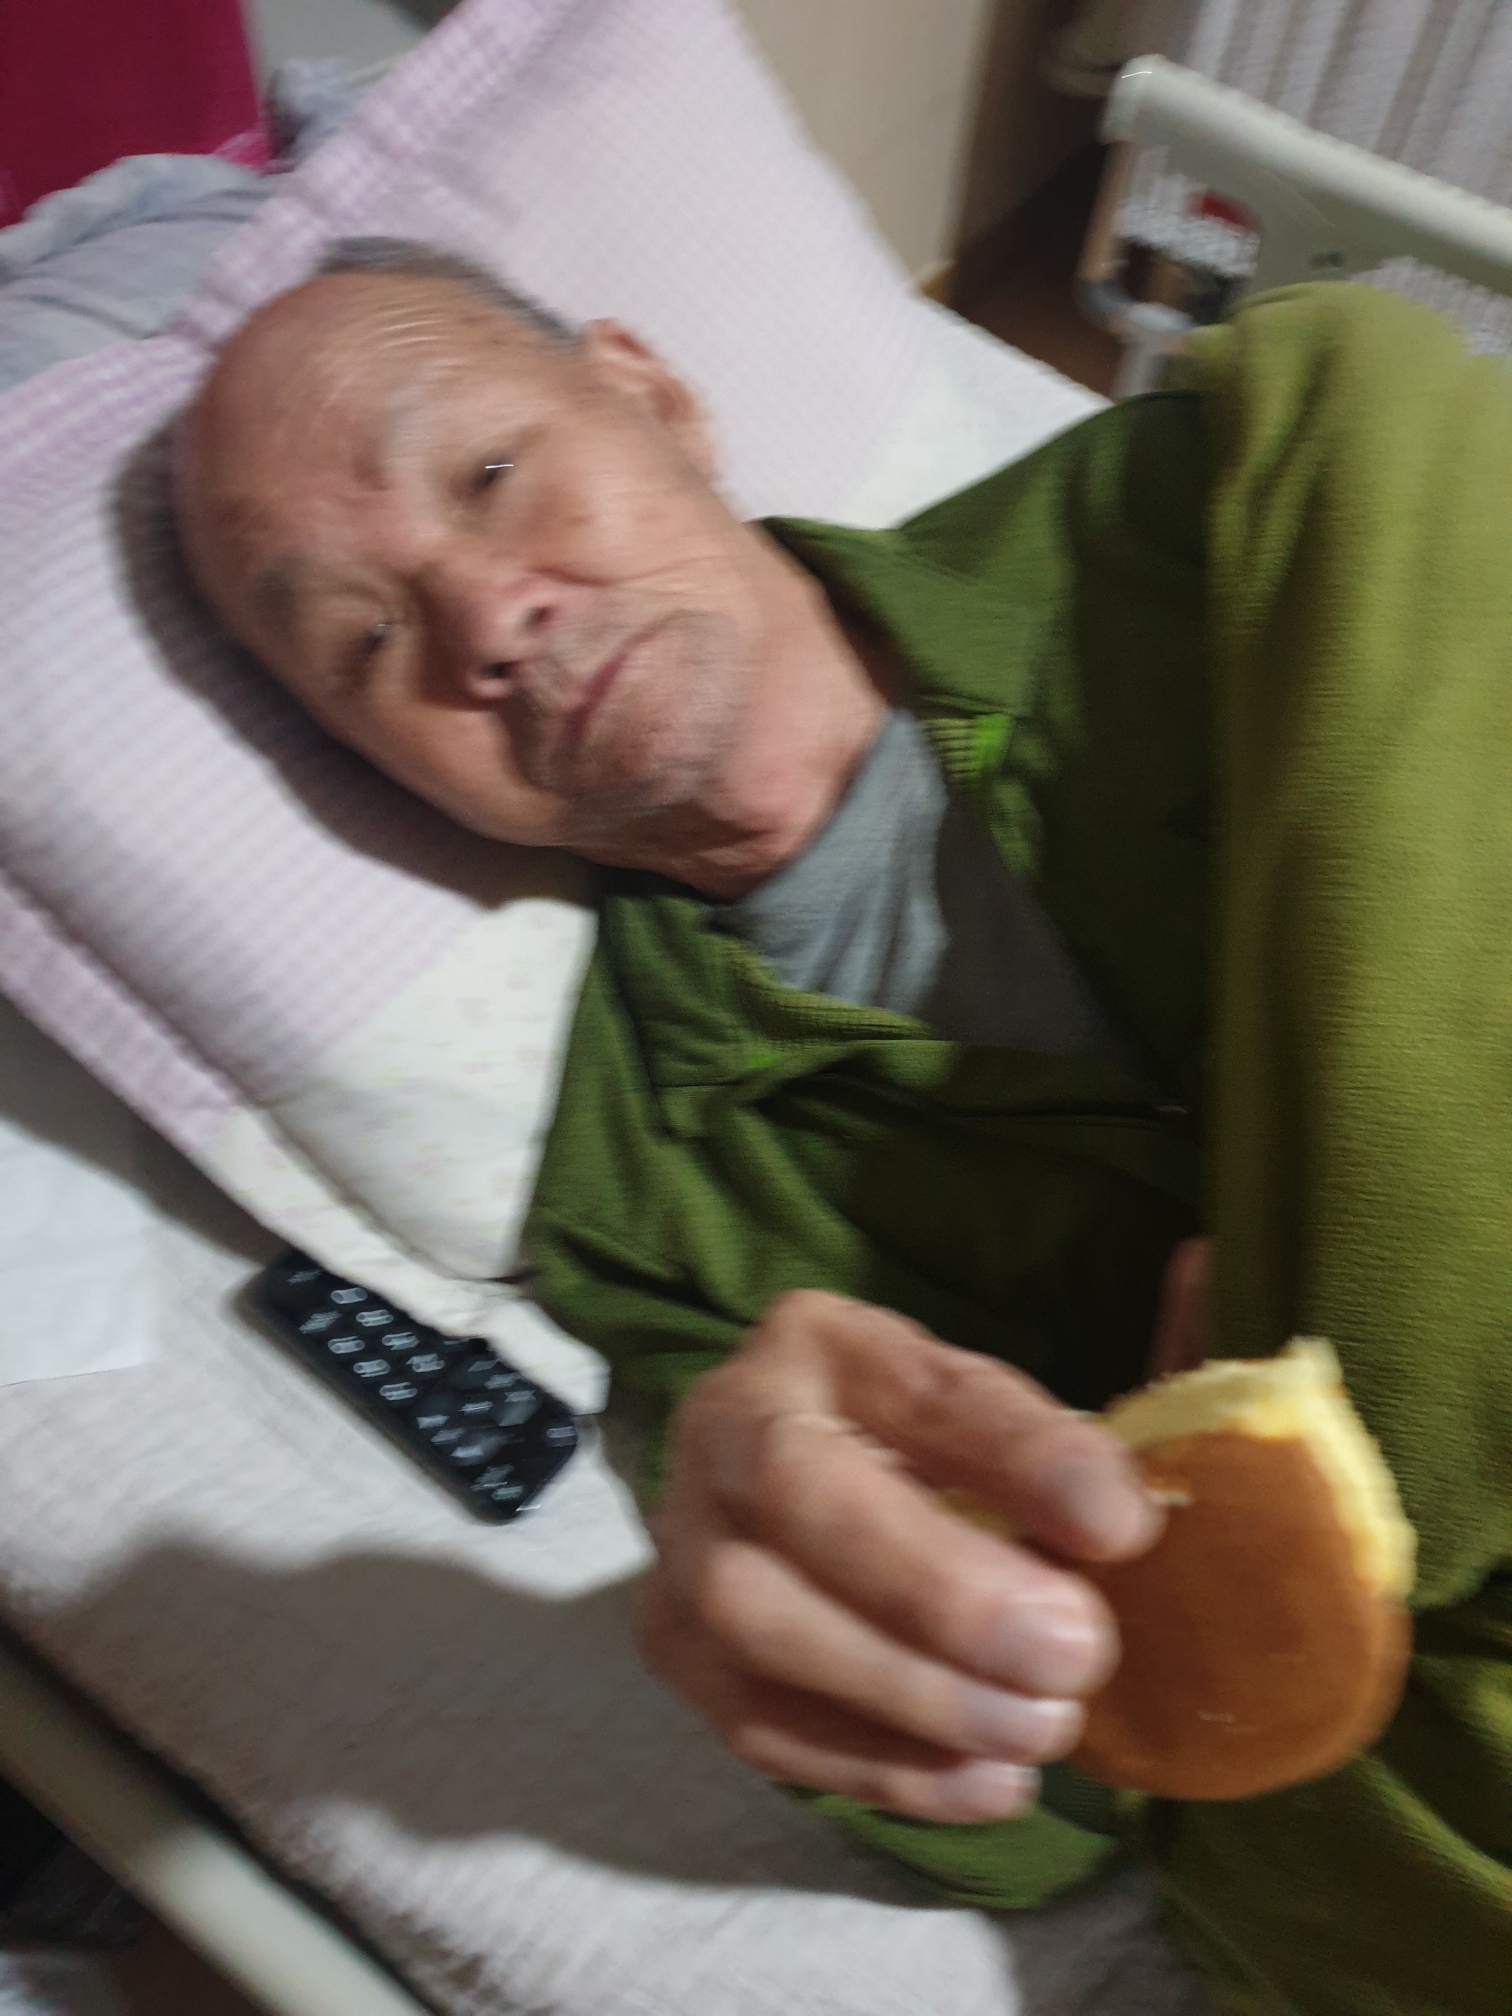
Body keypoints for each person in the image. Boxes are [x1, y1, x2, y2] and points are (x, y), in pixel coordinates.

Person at [173, 238, 1512, 2016]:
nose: (486, 621)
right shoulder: (652, 1214)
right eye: (363, 642)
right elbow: (1046, 1827)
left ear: (652, 395)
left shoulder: (1225, 493)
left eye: (489, 472)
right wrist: (863, 1641)